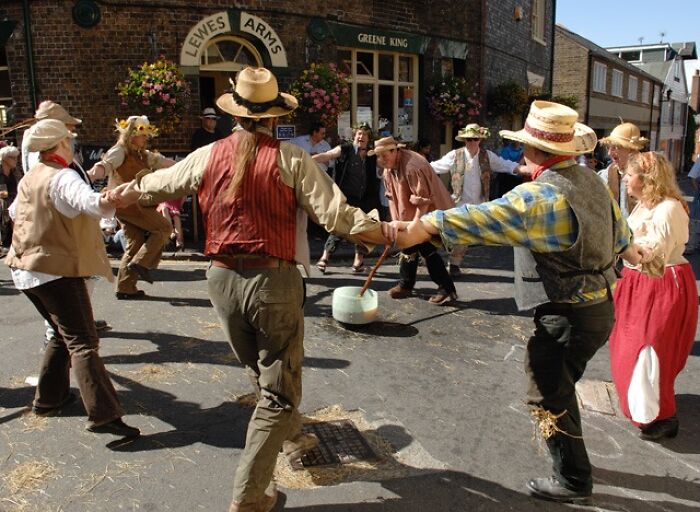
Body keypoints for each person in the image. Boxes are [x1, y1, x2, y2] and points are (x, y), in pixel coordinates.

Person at [108, 66, 392, 512]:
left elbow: (160, 184)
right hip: (271, 279)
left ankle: (295, 438)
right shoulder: (291, 158)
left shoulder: (209, 153)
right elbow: (336, 216)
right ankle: (250, 495)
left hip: (221, 281)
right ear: (273, 117)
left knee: (263, 373)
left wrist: (128, 190)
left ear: (236, 114)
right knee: (278, 394)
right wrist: (388, 233)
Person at [387, 101, 646, 503]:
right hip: (599, 306)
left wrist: (422, 226)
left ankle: (573, 479)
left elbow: (480, 219)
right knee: (561, 384)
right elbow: (621, 230)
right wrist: (632, 253)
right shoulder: (591, 181)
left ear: (532, 151)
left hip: (568, 314)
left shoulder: (539, 197)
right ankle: (573, 459)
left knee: (547, 392)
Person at [4, 119, 140, 438]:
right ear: (61, 144)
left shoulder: (31, 176)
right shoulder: (62, 176)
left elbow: (13, 213)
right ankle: (104, 415)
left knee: (61, 334)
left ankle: (49, 399)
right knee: (83, 341)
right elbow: (92, 203)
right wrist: (114, 198)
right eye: (69, 141)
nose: (72, 145)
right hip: (54, 270)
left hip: (24, 269)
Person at [609, 151, 698, 441]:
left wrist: (618, 247)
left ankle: (664, 416)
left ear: (646, 179)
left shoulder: (668, 208)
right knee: (628, 348)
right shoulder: (645, 206)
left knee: (650, 352)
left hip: (660, 283)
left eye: (630, 174)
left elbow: (653, 256)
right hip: (638, 283)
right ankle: (645, 409)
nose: (625, 178)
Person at [87, 116, 175, 299]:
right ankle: (141, 264)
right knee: (164, 228)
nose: (146, 138)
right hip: (130, 204)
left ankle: (126, 287)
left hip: (128, 206)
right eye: (143, 135)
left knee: (135, 243)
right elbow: (105, 165)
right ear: (132, 134)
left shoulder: (142, 154)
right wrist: (91, 175)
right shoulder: (120, 151)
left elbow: (164, 163)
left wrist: (189, 167)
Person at [372, 135, 458, 305]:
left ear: (395, 150)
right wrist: (395, 223)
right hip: (409, 214)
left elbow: (423, 201)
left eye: (384, 155)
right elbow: (390, 197)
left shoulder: (412, 166)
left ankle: (446, 288)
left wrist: (414, 227)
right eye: (378, 155)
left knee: (426, 249)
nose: (381, 159)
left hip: (430, 212)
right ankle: (407, 284)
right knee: (409, 245)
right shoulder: (388, 168)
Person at [431, 123, 525, 276]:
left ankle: (454, 264)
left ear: (480, 140)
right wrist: (419, 166)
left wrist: (521, 169)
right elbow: (436, 166)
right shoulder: (455, 155)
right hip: (458, 202)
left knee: (465, 235)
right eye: (468, 139)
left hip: (478, 203)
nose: (471, 142)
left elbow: (504, 165)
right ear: (464, 140)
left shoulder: (487, 156)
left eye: (475, 139)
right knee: (448, 232)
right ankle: (439, 256)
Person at [312, 123, 380, 273]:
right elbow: (327, 155)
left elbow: (383, 166)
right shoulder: (345, 149)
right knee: (339, 228)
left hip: (365, 197)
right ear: (354, 136)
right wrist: (309, 160)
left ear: (369, 138)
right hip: (346, 196)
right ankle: (324, 258)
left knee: (364, 229)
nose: (361, 137)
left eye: (365, 135)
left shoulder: (371, 154)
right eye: (359, 134)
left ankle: (358, 262)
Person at [598, 121, 649, 218]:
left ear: (631, 150)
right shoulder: (604, 176)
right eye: (609, 147)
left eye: (615, 147)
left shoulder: (649, 177)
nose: (609, 153)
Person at [0, 145, 22, 249]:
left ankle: (17, 239)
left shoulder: (16, 172)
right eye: (12, 157)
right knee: (4, 204)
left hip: (16, 200)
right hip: (3, 202)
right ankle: (7, 241)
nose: (15, 160)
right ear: (4, 159)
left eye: (16, 157)